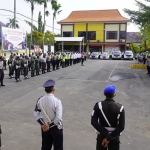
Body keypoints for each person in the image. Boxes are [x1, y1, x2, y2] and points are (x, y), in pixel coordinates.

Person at [91, 85, 125, 150]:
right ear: (114, 94)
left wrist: (106, 134)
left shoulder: (98, 105)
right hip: (114, 136)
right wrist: (110, 137)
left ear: (104, 94)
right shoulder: (120, 108)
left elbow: (93, 122)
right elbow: (121, 126)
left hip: (101, 135)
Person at [34, 79, 63, 150]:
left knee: (45, 147)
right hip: (56, 127)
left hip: (45, 128)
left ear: (45, 90)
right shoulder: (57, 101)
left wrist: (43, 124)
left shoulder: (40, 100)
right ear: (54, 89)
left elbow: (36, 113)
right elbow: (58, 117)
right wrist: (49, 125)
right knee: (58, 147)